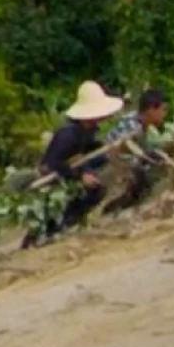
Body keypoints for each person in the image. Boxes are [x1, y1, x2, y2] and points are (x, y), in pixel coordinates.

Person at [35, 81, 124, 239]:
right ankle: (59, 227)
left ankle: (74, 223)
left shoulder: (88, 130)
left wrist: (107, 152)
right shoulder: (67, 134)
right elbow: (53, 163)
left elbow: (89, 149)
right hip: (55, 177)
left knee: (97, 187)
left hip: (74, 168)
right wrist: (80, 176)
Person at [99, 87, 174, 214]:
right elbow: (119, 152)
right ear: (152, 110)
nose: (164, 114)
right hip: (109, 168)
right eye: (163, 109)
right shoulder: (133, 127)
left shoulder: (138, 122)